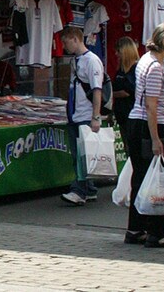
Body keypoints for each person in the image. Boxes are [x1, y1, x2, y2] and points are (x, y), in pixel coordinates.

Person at [123, 22, 164, 250]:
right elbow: (151, 105)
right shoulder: (156, 67)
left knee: (140, 177)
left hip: (137, 122)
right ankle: (156, 233)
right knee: (159, 179)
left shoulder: (145, 61)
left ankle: (136, 228)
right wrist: (156, 139)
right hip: (149, 126)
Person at [59, 25, 106, 205]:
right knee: (81, 154)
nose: (64, 46)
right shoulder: (75, 61)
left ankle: (79, 190)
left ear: (75, 39)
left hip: (84, 115)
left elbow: (97, 89)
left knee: (81, 155)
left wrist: (96, 116)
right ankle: (89, 188)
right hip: (75, 113)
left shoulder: (92, 61)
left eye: (66, 42)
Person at [109, 38, 139, 128]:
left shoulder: (136, 69)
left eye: (118, 51)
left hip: (132, 116)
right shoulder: (121, 70)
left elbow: (127, 92)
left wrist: (109, 94)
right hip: (121, 115)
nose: (116, 54)